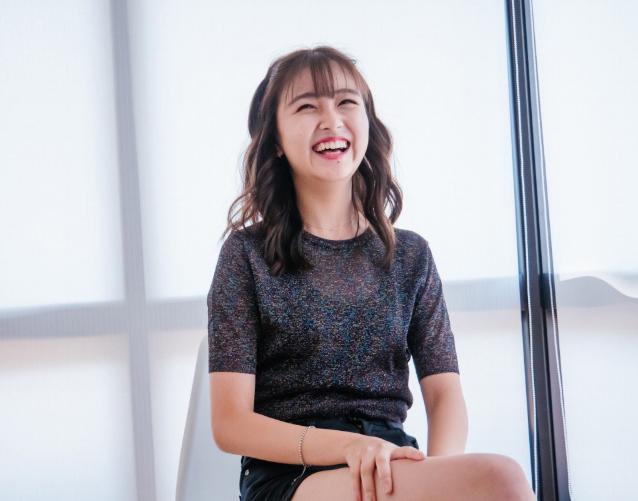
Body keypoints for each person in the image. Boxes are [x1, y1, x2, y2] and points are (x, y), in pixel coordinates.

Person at [207, 45, 535, 501]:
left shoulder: (411, 256)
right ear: (275, 140)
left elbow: (445, 396)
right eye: (307, 106)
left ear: (367, 124)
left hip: (390, 462)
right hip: (292, 475)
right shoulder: (245, 255)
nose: (331, 119)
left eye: (346, 102)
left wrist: (438, 476)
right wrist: (348, 446)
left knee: (495, 479)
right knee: (502, 478)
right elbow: (229, 423)